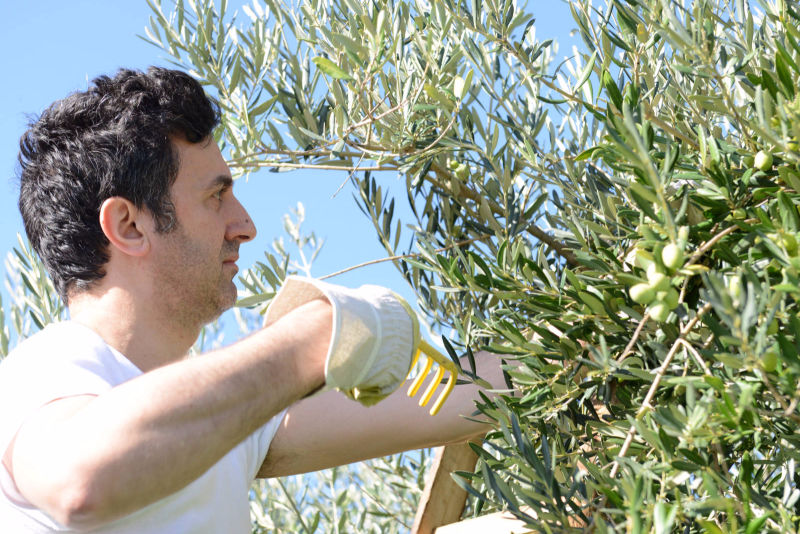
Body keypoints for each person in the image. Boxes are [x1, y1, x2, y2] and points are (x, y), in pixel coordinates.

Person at [0, 67, 501, 532]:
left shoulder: (222, 424)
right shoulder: (37, 377)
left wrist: (569, 349)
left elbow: (473, 394)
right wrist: (315, 333)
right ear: (129, 226)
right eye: (216, 196)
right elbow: (79, 480)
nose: (245, 226)